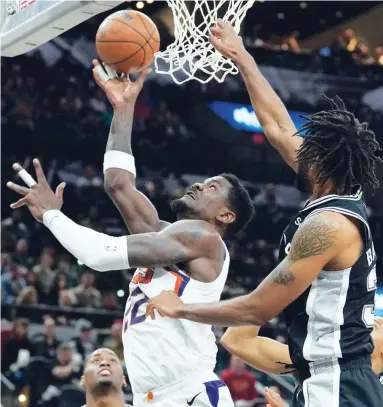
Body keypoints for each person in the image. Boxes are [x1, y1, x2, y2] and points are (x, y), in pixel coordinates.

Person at [145, 20, 383, 407]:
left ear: (320, 164)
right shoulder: (337, 191)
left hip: (339, 383)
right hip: (323, 378)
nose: (298, 146)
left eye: (308, 148)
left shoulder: (327, 225)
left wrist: (183, 308)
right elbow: (276, 126)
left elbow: (260, 306)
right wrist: (241, 56)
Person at [6, 59, 254, 407]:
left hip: (190, 392)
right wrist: (123, 108)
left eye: (212, 187)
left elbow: (98, 255)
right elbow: (118, 184)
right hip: (149, 397)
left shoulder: (205, 239)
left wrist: (51, 216)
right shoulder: (166, 237)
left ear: (225, 215)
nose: (199, 184)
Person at [220, 317, 383, 380]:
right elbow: (237, 341)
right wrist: (280, 289)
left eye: (378, 326)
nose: (378, 319)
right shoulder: (322, 363)